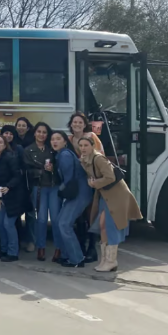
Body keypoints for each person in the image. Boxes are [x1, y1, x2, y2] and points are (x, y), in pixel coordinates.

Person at [79, 136, 143, 272]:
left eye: (86, 145)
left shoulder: (98, 158)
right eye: (81, 146)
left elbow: (110, 177)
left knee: (110, 226)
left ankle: (111, 261)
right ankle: (105, 259)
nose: (83, 148)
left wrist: (95, 184)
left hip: (116, 195)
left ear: (92, 146)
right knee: (102, 225)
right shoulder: (85, 160)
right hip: (105, 195)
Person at [51, 131, 94, 268]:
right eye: (52, 139)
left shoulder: (64, 155)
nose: (55, 142)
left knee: (64, 224)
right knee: (59, 222)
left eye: (58, 139)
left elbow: (69, 180)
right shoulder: (61, 155)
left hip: (79, 193)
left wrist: (61, 192)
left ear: (65, 142)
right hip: (76, 193)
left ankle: (77, 259)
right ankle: (66, 255)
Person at [23, 122, 62, 262]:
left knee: (56, 220)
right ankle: (41, 248)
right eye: (39, 131)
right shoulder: (28, 150)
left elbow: (60, 167)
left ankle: (58, 248)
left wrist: (53, 170)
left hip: (53, 187)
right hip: (38, 187)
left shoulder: (52, 149)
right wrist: (40, 171)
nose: (41, 134)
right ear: (34, 133)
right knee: (41, 219)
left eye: (44, 132)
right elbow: (26, 170)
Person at [67, 111, 103, 263]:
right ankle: (81, 246)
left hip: (91, 179)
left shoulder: (91, 137)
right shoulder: (68, 139)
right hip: (76, 181)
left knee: (91, 214)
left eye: (80, 122)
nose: (77, 124)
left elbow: (100, 155)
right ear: (71, 124)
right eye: (75, 122)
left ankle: (92, 249)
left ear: (84, 124)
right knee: (79, 216)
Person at [0, 135, 28, 262]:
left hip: (14, 195)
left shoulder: (10, 157)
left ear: (5, 145)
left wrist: (9, 187)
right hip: (1, 195)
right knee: (0, 223)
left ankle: (13, 252)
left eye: (0, 142)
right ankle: (4, 250)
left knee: (8, 224)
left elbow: (17, 176)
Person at [1, 124, 34, 252]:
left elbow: (22, 169)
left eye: (10, 133)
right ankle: (5, 246)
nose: (8, 136)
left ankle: (16, 246)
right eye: (5, 133)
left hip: (16, 189)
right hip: (3, 190)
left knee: (15, 219)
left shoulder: (18, 149)